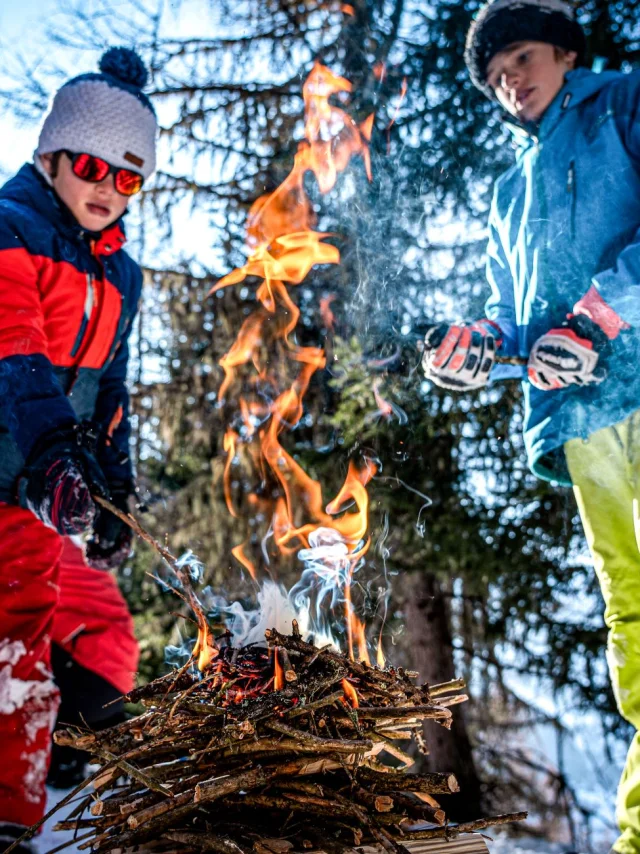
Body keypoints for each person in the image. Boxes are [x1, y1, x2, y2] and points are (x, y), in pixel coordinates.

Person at [422, 1, 640, 851]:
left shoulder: (623, 103)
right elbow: (516, 322)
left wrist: (596, 318)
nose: (510, 80)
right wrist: (477, 345)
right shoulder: (508, 191)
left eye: (519, 55)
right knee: (632, 614)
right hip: (583, 423)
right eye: (493, 76)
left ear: (563, 49)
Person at [0, 46, 156, 849]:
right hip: (16, 464)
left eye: (127, 178)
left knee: (57, 638)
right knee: (9, 629)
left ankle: (18, 810)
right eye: (92, 165)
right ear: (48, 154)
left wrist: (113, 486)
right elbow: (14, 355)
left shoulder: (120, 274)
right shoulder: (8, 229)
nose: (106, 188)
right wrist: (51, 459)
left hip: (36, 492)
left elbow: (111, 392)